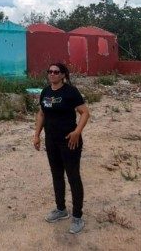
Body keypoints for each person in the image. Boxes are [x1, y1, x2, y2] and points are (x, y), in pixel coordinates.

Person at [33, 62, 90, 234]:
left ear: (63, 75)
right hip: (51, 141)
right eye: (49, 71)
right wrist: (37, 135)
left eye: (56, 72)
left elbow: (85, 112)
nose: (52, 74)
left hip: (69, 141)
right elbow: (42, 113)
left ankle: (78, 217)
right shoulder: (45, 91)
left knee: (73, 177)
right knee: (57, 175)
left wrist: (77, 132)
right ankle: (61, 209)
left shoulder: (70, 91)